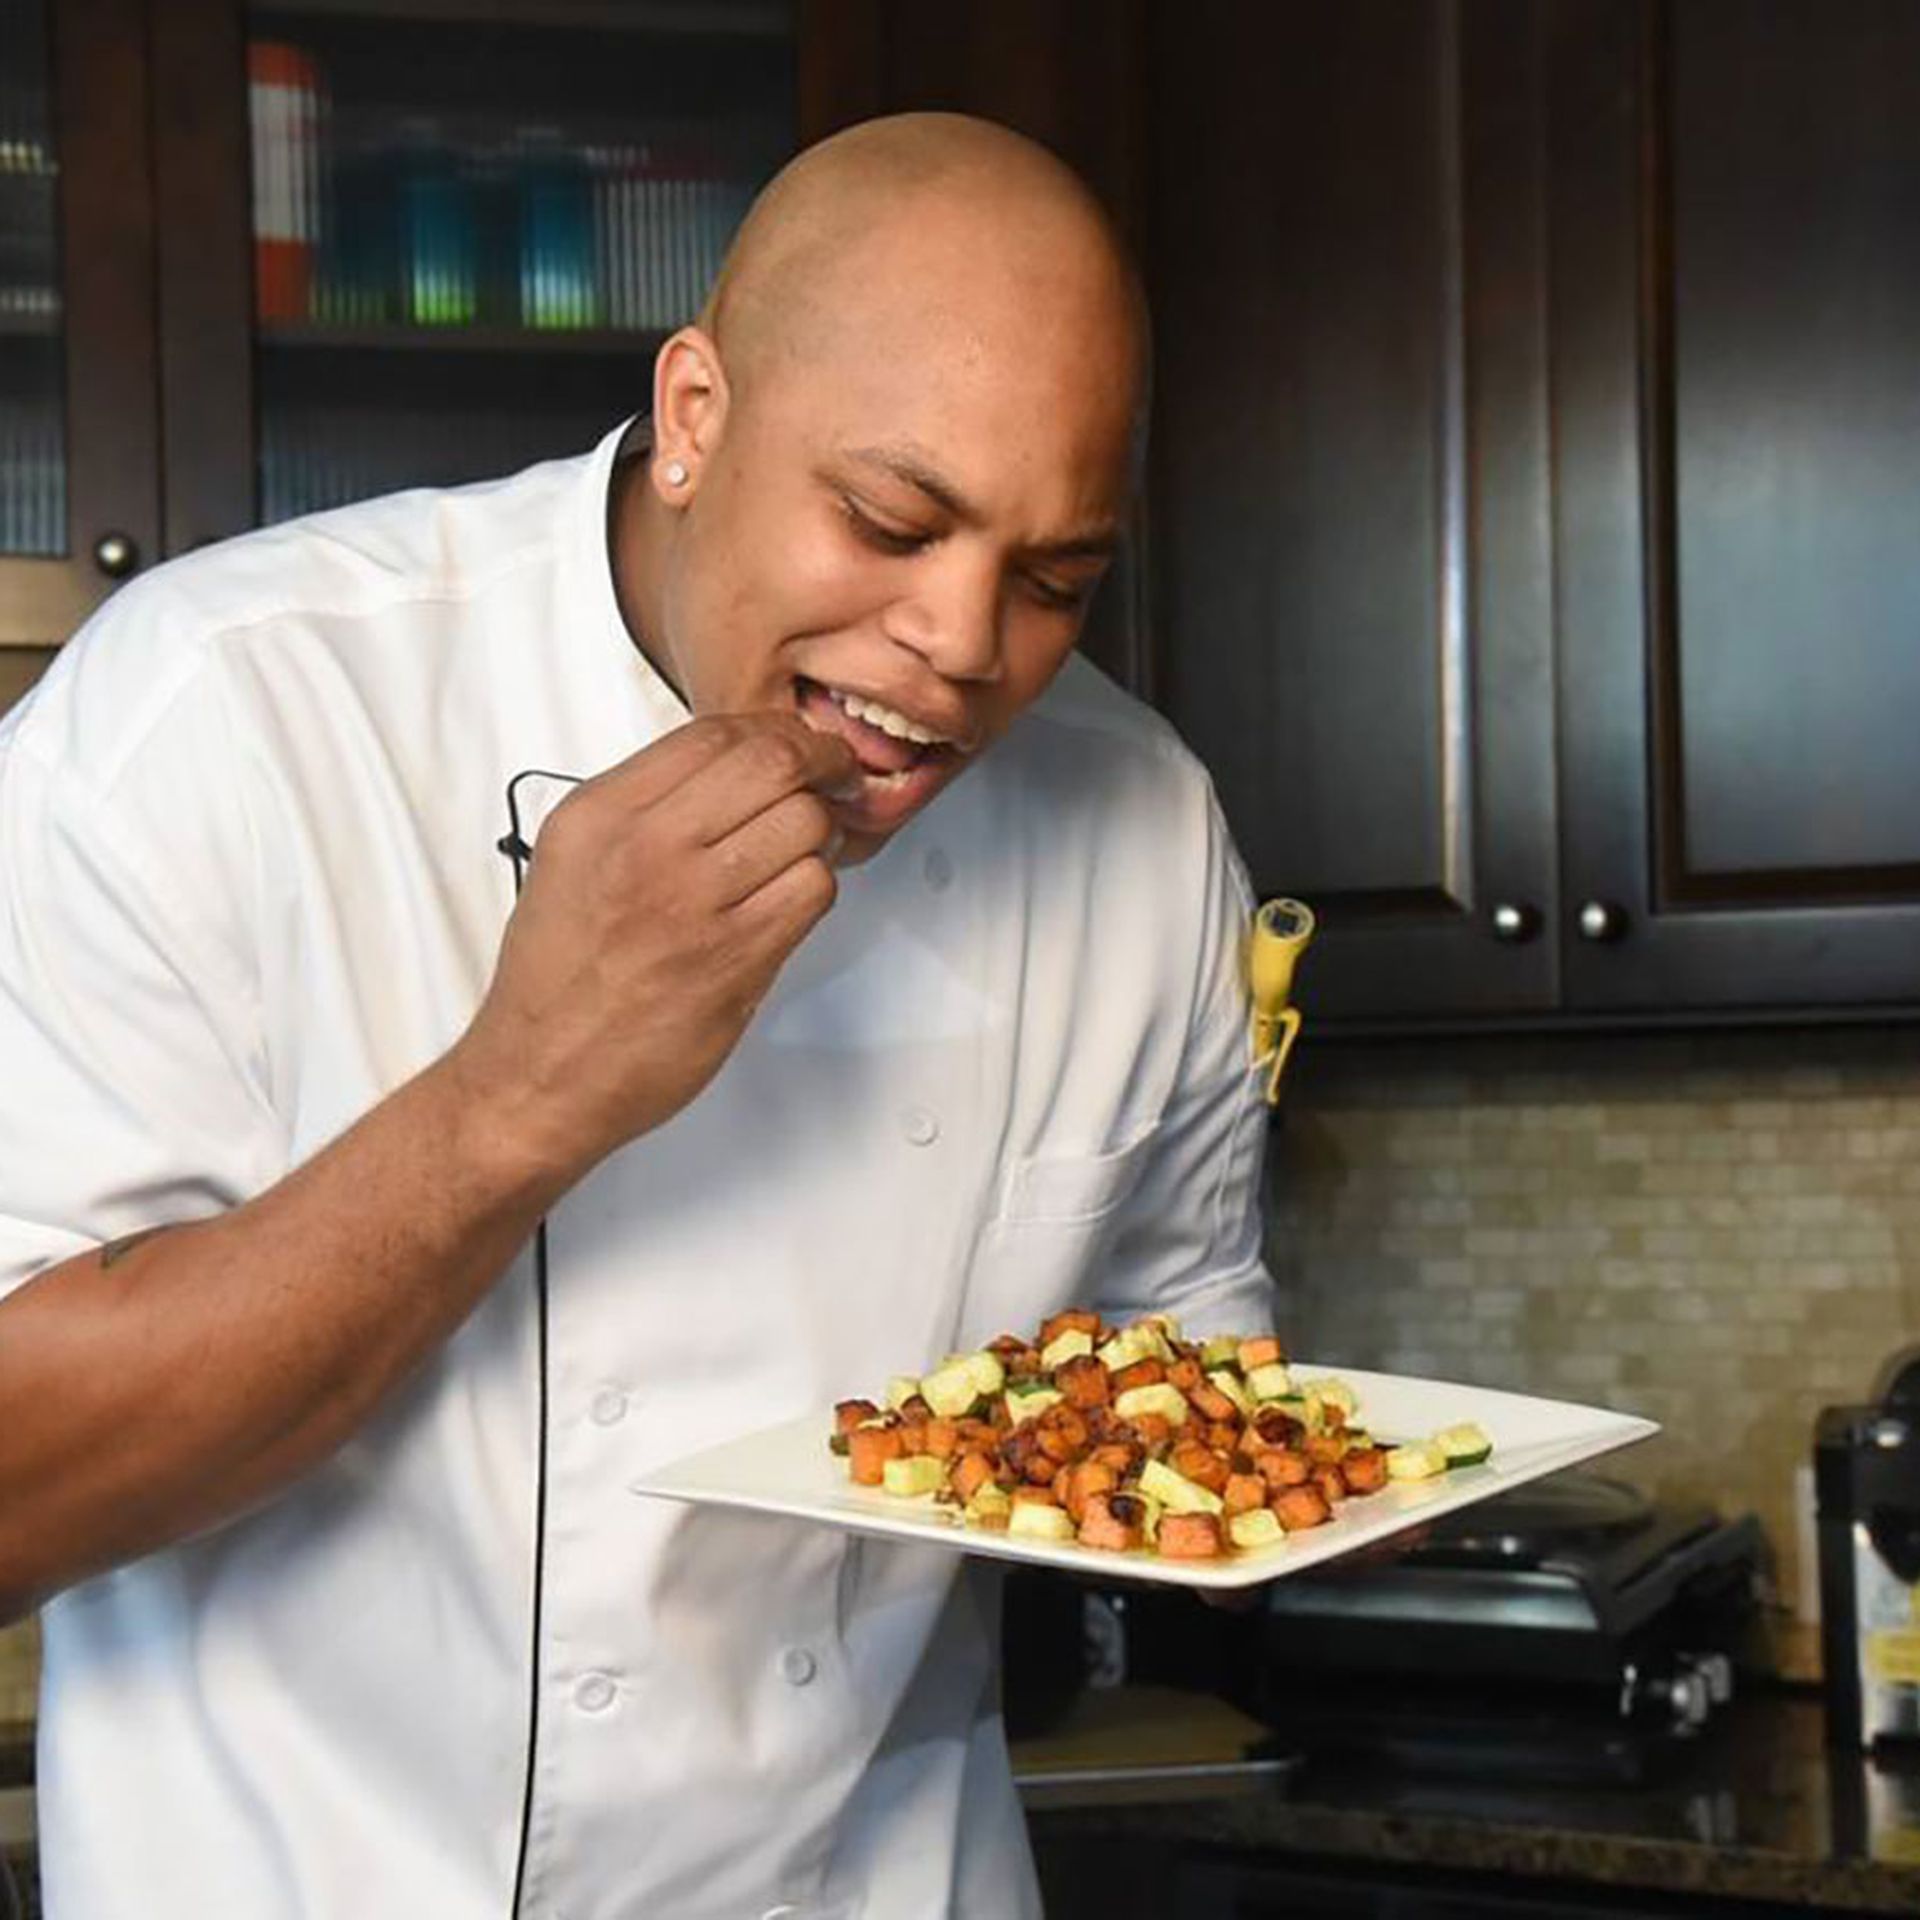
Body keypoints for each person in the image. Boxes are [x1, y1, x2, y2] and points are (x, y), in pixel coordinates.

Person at [0, 112, 1274, 1918]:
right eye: (892, 521)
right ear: (694, 416)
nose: (965, 642)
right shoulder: (224, 715)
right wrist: (519, 1100)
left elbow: (1189, 1407)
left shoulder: (1136, 828)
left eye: (1055, 577)